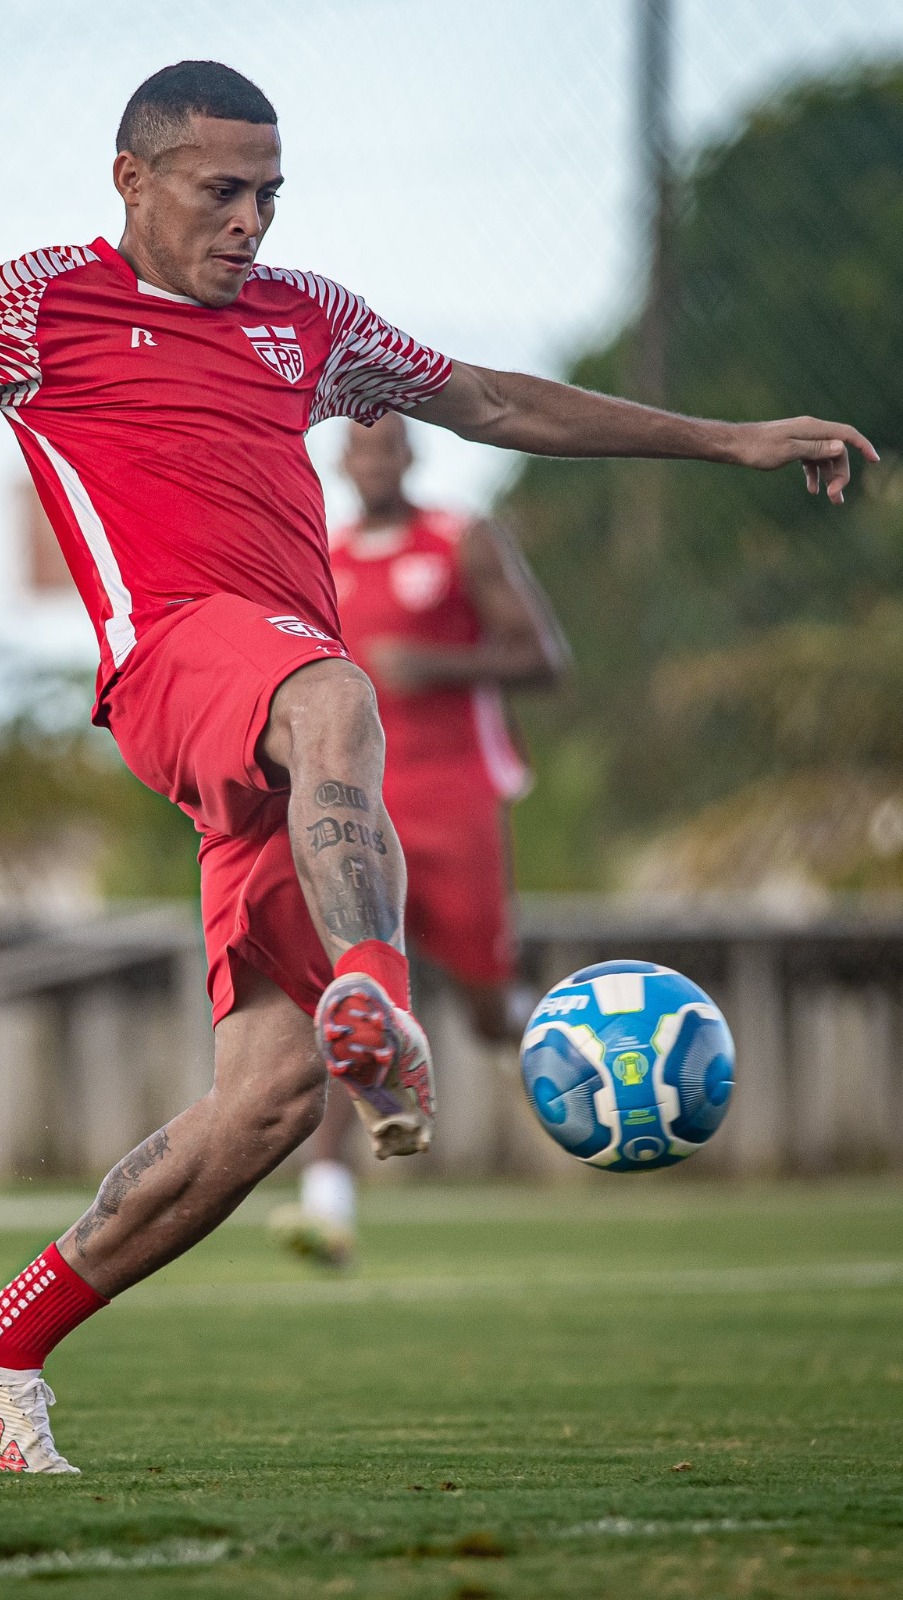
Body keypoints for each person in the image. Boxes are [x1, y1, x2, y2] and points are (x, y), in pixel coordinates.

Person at [0, 60, 874, 1476]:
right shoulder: (24, 308)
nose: (250, 222)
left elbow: (487, 404)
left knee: (269, 1104)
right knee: (336, 687)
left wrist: (725, 438)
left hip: (276, 731)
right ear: (131, 178)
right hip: (175, 668)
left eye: (269, 194)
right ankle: (385, 1013)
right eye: (220, 190)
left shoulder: (308, 321)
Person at [271, 413, 567, 1267]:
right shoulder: (318, 556)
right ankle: (326, 1204)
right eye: (358, 447)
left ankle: (581, 1059)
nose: (373, 460)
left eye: (387, 445)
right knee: (351, 1001)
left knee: (484, 1007)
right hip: (358, 809)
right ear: (341, 459)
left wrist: (433, 665)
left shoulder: (461, 540)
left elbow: (544, 658)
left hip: (459, 798)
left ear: (410, 453)